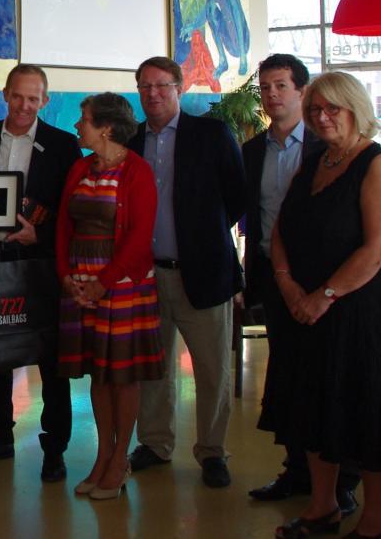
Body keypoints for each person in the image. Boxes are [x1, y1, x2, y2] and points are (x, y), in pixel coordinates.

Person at [263, 72, 381, 539]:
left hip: (362, 313)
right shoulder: (316, 161)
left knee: (369, 414)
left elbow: (379, 248)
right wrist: (287, 284)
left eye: (332, 109)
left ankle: (376, 517)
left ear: (356, 110)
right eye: (316, 108)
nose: (321, 116)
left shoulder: (377, 165)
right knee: (317, 411)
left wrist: (323, 297)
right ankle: (323, 507)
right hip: (307, 309)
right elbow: (282, 229)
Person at [243, 55, 360, 514]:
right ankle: (296, 471)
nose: (272, 94)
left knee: (331, 380)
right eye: (266, 87)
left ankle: (342, 482)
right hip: (277, 280)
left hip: (324, 284)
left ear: (302, 91)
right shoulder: (253, 150)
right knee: (289, 379)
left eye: (281, 86)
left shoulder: (329, 146)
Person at [127, 56, 246, 488]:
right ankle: (156, 444)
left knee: (213, 368)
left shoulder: (211, 135)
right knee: (152, 368)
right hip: (146, 278)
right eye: (144, 87)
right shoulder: (132, 140)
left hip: (204, 273)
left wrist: (203, 238)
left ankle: (212, 451)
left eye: (161, 86)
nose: (153, 94)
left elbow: (237, 197)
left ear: (179, 88)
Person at [0, 64, 81, 482]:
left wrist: (39, 235)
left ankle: (54, 447)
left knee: (51, 358)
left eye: (34, 98)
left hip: (41, 261)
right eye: (18, 96)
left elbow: (71, 211)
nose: (25, 105)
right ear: (4, 94)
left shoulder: (64, 145)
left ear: (45, 101)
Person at [56, 92, 163, 501]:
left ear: (105, 127)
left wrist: (103, 282)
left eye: (83, 119)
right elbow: (64, 225)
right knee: (98, 375)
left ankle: (120, 459)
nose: (76, 125)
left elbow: (139, 236)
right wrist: (66, 276)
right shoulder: (81, 166)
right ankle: (102, 456)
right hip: (80, 284)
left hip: (120, 285)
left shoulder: (136, 170)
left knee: (123, 376)